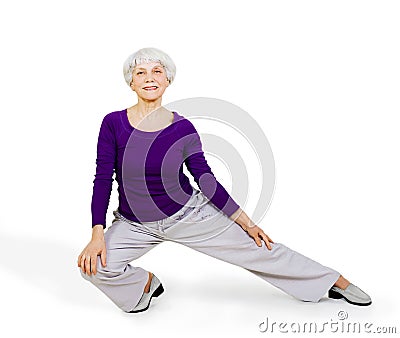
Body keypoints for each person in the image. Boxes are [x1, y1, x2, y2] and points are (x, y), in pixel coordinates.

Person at [77, 47, 371, 313]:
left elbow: (205, 179)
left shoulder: (182, 128)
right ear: (131, 82)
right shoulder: (113, 123)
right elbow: (103, 178)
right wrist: (97, 234)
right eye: (141, 72)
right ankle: (144, 285)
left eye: (157, 71)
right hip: (135, 223)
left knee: (258, 250)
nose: (149, 78)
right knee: (92, 268)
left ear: (168, 80)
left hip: (187, 215)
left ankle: (332, 281)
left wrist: (247, 222)